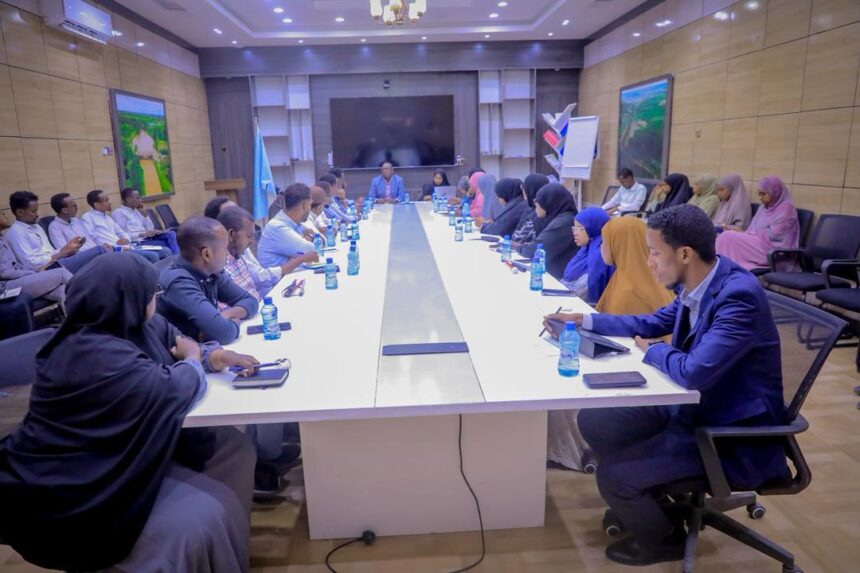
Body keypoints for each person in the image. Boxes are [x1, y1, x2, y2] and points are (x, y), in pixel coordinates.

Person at [543, 205, 789, 566]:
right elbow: (652, 321)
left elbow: (693, 372)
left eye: (655, 253)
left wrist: (655, 350)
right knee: (596, 421)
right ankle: (650, 497)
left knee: (614, 478)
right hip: (695, 405)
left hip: (726, 429)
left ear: (685, 254)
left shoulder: (738, 297)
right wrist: (584, 320)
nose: (650, 262)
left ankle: (665, 541)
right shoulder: (702, 282)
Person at [0, 253, 259, 572]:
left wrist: (214, 356)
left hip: (117, 456)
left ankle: (221, 543)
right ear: (131, 297)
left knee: (230, 447)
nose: (155, 299)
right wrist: (193, 361)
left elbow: (178, 341)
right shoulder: (88, 354)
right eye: (152, 293)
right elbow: (176, 387)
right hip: (75, 492)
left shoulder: (137, 323)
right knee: (205, 510)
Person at [157, 216, 260, 345]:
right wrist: (234, 321)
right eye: (225, 248)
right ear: (207, 254)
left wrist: (224, 316)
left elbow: (251, 301)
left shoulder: (209, 270)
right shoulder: (178, 283)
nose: (227, 254)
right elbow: (224, 333)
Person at [6, 191, 103, 273]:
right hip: (45, 268)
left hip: (56, 262)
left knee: (103, 254)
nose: (37, 215)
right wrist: (61, 254)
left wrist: (66, 249)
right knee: (100, 251)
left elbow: (51, 251)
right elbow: (29, 263)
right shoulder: (15, 232)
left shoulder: (37, 227)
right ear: (20, 212)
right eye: (33, 211)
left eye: (37, 210)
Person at [715, 176, 799, 271]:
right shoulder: (763, 207)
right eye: (759, 194)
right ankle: (721, 266)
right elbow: (753, 228)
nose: (760, 198)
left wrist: (747, 233)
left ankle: (723, 268)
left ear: (775, 192)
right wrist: (743, 232)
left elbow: (774, 235)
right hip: (757, 242)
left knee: (727, 236)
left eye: (764, 194)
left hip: (771, 250)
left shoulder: (786, 210)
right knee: (726, 235)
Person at [203, 197, 282, 296]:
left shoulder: (238, 255)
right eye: (230, 213)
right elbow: (260, 279)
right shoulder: (217, 267)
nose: (252, 241)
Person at [595, 217, 675, 315]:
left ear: (618, 244)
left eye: (604, 241)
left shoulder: (629, 293)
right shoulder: (659, 277)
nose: (601, 246)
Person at [80, 190, 161, 263]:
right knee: (153, 256)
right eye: (106, 201)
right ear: (97, 205)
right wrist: (106, 247)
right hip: (113, 251)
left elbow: (121, 232)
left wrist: (126, 239)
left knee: (164, 251)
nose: (109, 203)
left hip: (126, 246)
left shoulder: (107, 218)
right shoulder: (88, 217)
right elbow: (91, 238)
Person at [519, 183, 579, 280]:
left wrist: (519, 247)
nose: (535, 204)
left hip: (557, 279)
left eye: (539, 201)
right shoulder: (557, 217)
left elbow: (532, 251)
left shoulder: (563, 223)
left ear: (549, 202)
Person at [257, 183, 322, 271]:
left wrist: (307, 240)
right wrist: (310, 239)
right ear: (305, 205)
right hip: (280, 279)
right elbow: (314, 251)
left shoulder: (293, 222)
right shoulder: (278, 227)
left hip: (292, 275)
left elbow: (321, 240)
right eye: (310, 205)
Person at [560, 207, 614, 303]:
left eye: (579, 228)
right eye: (574, 228)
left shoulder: (600, 256)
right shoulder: (586, 249)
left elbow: (579, 293)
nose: (575, 233)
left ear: (592, 228)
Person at [1, 234, 71, 308]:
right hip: (5, 288)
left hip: (14, 281)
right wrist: (34, 273)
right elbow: (4, 273)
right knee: (62, 273)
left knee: (63, 291)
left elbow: (15, 266)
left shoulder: (2, 237)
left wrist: (37, 269)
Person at [217, 207, 262, 307]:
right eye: (249, 236)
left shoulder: (239, 257)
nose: (252, 241)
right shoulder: (218, 268)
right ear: (231, 234)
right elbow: (226, 310)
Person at [112, 187, 179, 255]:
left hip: (148, 238)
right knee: (170, 244)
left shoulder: (137, 211)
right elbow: (123, 236)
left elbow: (150, 228)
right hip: (138, 242)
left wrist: (145, 215)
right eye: (137, 198)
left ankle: (177, 258)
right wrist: (142, 234)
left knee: (171, 234)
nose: (140, 200)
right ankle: (177, 258)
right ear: (128, 200)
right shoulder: (119, 213)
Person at [512, 174, 550, 245]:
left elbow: (519, 240)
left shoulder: (540, 213)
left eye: (524, 187)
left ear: (531, 189)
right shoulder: (529, 209)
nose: (522, 190)